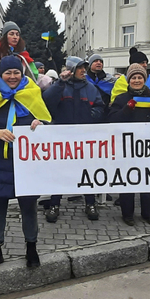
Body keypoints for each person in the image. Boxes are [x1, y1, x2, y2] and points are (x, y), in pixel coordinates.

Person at [0, 56, 51, 271]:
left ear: (21, 73)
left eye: (16, 72)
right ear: (1, 74)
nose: (13, 77)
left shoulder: (32, 93)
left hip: (27, 163)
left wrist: (39, 123)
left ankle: (31, 248)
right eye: (8, 73)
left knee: (29, 207)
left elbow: (48, 120)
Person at [42, 56, 104, 221]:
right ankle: (54, 204)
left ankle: (90, 203)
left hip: (84, 138)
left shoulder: (90, 88)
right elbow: (47, 101)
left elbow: (99, 106)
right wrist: (60, 83)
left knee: (87, 171)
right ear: (71, 70)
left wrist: (90, 115)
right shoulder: (60, 87)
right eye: (80, 68)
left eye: (84, 67)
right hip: (62, 138)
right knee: (60, 172)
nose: (84, 70)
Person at [108, 64, 150, 226]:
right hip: (127, 146)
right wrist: (127, 109)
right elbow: (112, 120)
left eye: (139, 77)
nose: (136, 80)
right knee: (127, 180)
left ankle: (148, 214)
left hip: (148, 146)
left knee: (147, 180)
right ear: (129, 80)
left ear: (144, 80)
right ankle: (127, 214)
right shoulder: (121, 98)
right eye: (133, 77)